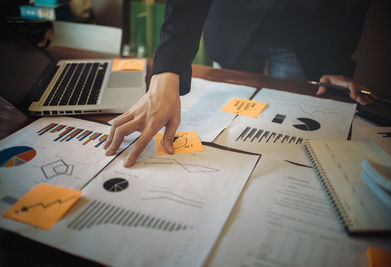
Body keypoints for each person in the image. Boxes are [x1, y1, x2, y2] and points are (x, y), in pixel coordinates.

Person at [104, 0, 374, 167]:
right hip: (233, 23)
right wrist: (166, 71)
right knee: (231, 124)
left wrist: (336, 62)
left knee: (285, 137)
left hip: (305, 27)